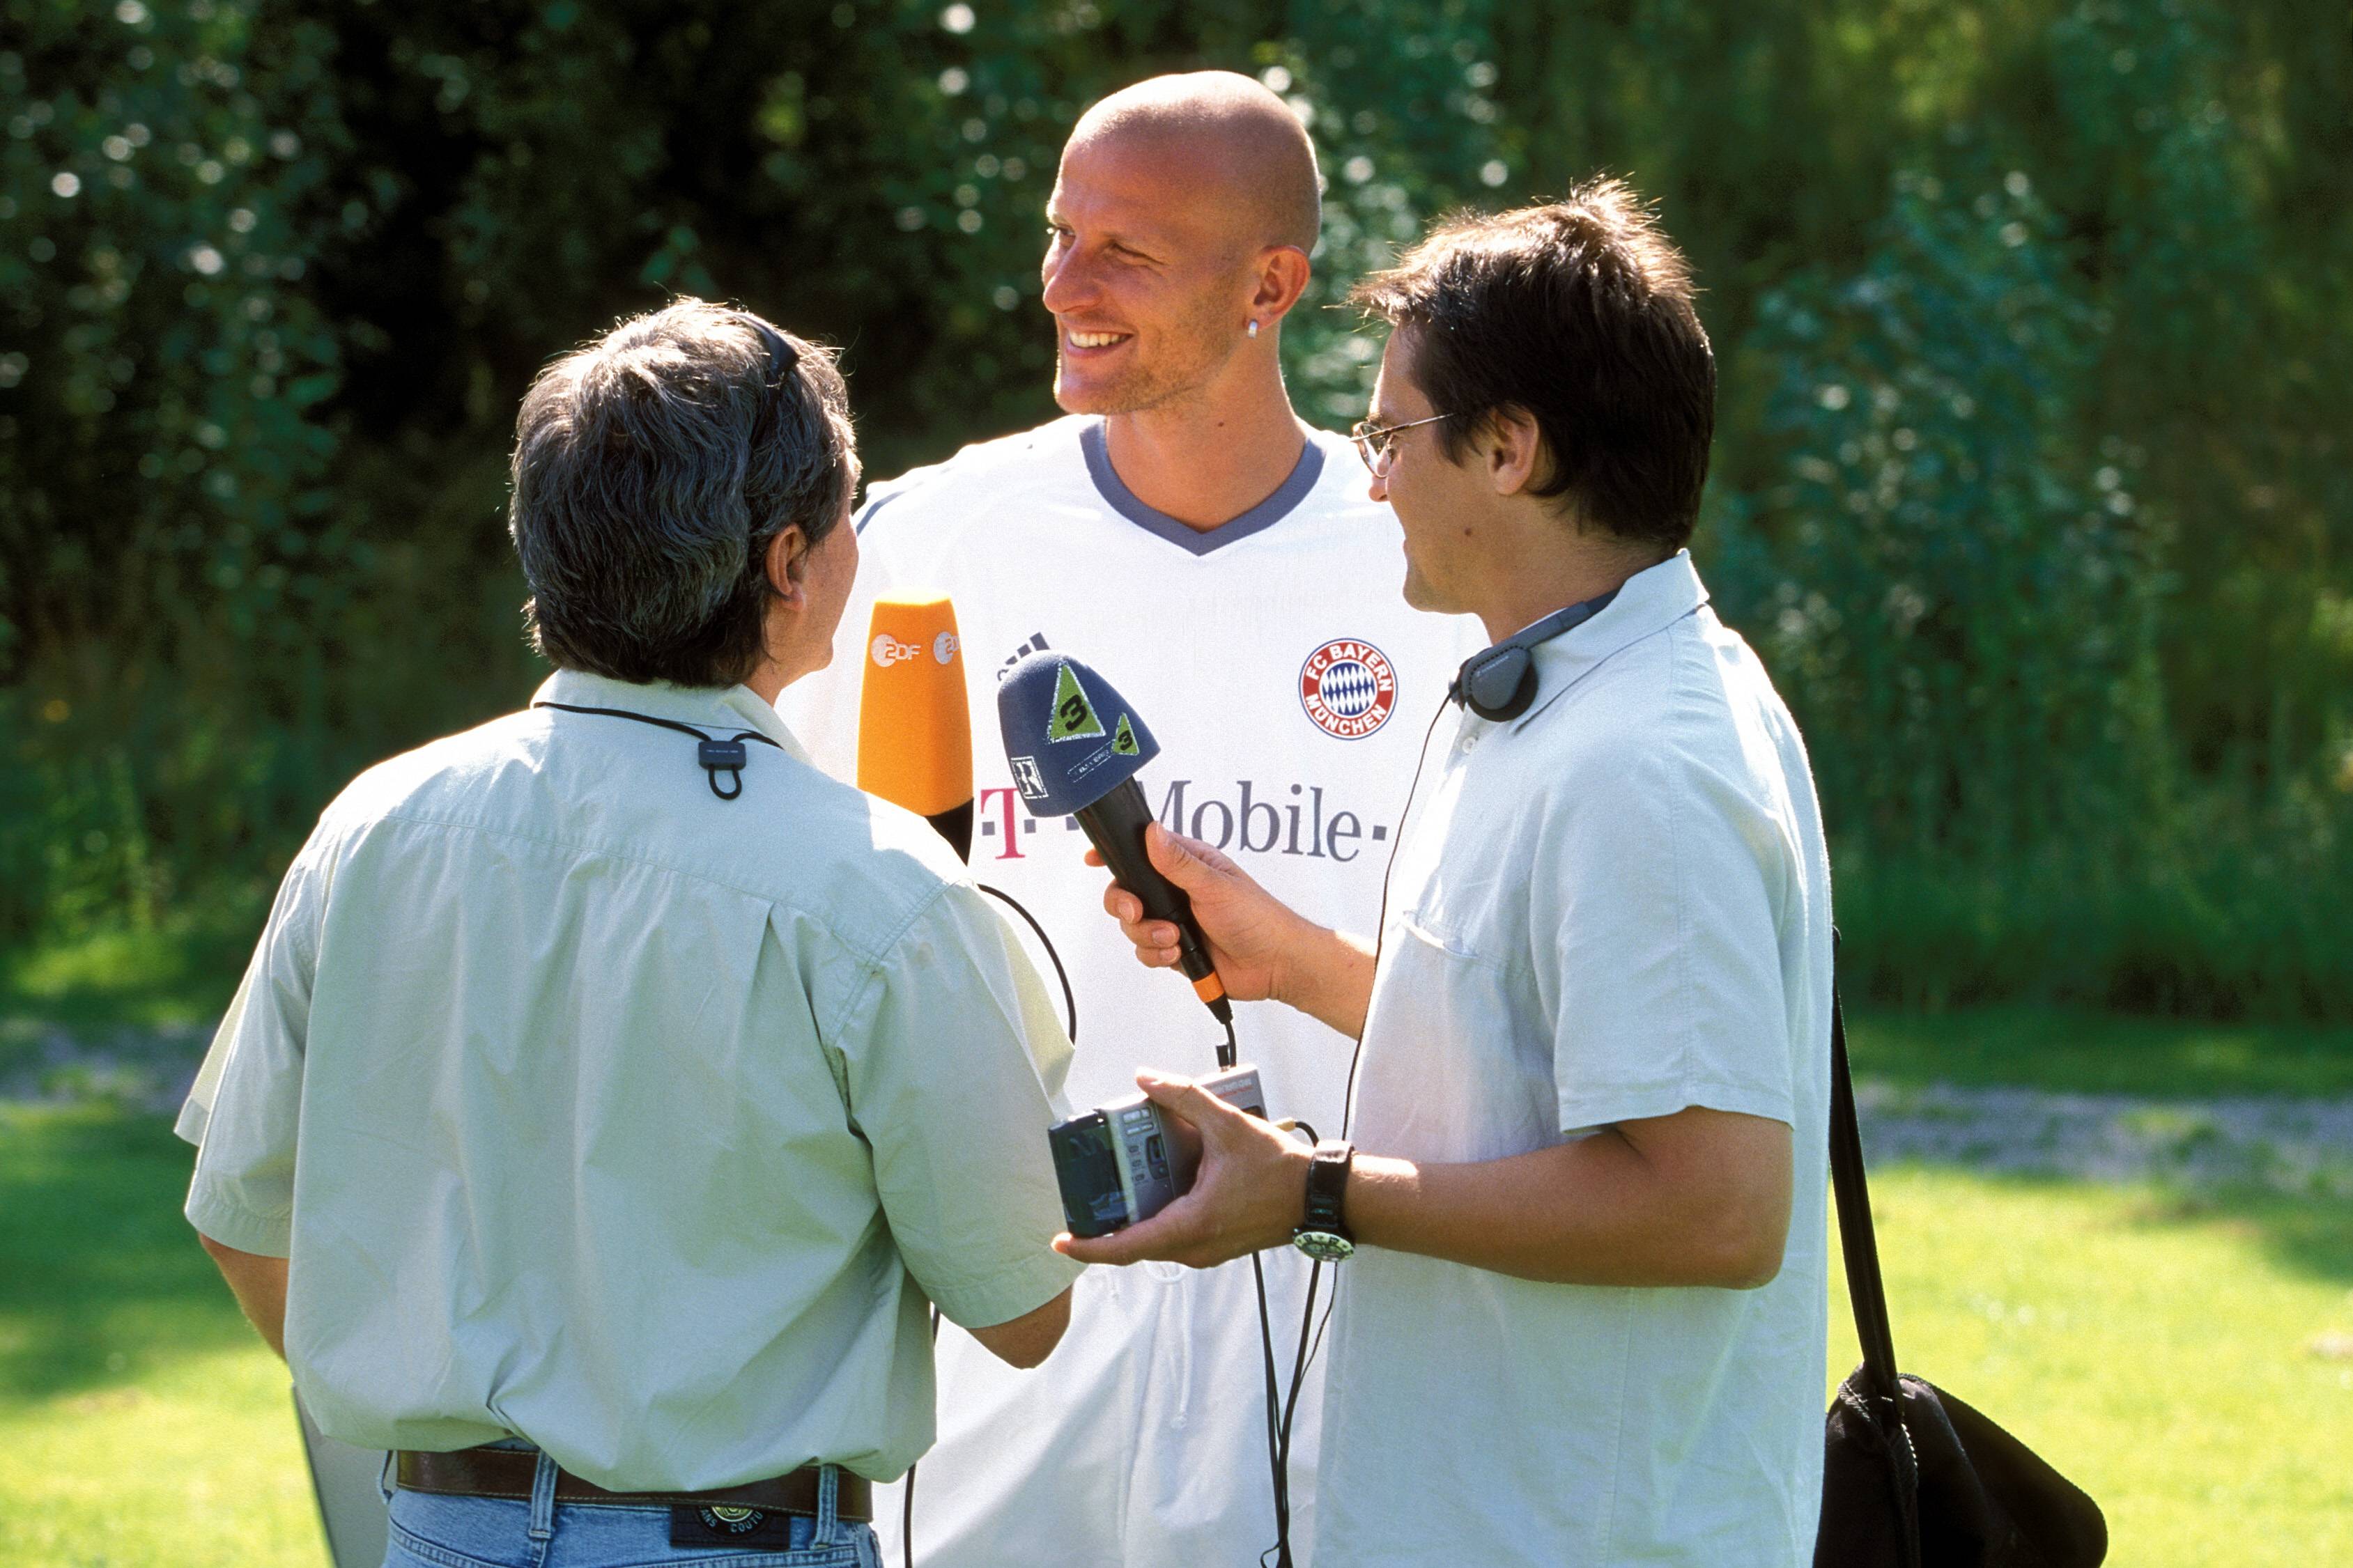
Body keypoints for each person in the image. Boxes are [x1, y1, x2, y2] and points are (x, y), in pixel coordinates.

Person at [177, 300, 1082, 1568]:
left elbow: (237, 1211)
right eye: (845, 514)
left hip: (440, 1531)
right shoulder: (878, 886)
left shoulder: (375, 824)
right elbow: (1025, 1305)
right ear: (785, 563)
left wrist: (466, 1418)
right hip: (738, 1540)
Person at [1070, 183, 1835, 1567]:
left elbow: (1712, 1201)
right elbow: (1552, 1061)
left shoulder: (1641, 760)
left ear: (1510, 451)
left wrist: (1311, 1191)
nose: (1370, 482)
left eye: (1390, 434)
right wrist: (1293, 963)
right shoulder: (1567, 695)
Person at [777, 71, 1479, 1568]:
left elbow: (1512, 987)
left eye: (1125, 254)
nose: (1060, 286)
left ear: (1270, 286)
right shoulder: (927, 549)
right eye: (1058, 233)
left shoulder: (1429, 567)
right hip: (1011, 1367)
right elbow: (780, 899)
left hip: (1350, 1353)